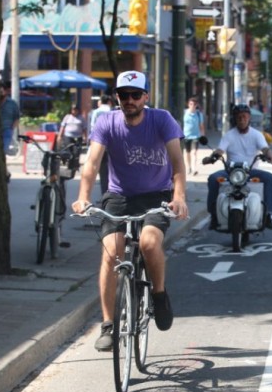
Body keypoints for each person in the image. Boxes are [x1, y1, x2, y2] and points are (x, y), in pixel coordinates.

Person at [71, 70, 188, 352]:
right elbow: (92, 163)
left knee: (149, 243)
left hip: (156, 195)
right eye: (124, 95)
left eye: (136, 95)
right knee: (111, 252)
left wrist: (179, 198)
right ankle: (108, 326)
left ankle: (158, 294)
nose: (130, 100)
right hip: (119, 195)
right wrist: (83, 197)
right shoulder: (106, 122)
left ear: (145, 97)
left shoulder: (162, 120)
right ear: (117, 98)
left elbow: (177, 163)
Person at [206, 104, 272, 230]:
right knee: (213, 178)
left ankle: (268, 214)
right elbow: (220, 150)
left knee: (270, 178)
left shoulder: (257, 135)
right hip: (230, 172)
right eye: (239, 117)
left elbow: (265, 148)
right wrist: (211, 158)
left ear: (249, 118)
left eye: (244, 117)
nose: (242, 119)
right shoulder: (229, 135)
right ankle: (213, 215)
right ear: (235, 118)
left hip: (251, 171)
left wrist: (270, 156)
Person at [89, 94, 116, 194]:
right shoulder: (113, 111)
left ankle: (104, 193)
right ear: (109, 101)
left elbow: (92, 127)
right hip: (113, 143)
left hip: (99, 142)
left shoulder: (96, 112)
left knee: (101, 168)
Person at [0, 82, 20, 182]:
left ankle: (4, 173)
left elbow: (17, 117)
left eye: (2, 90)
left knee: (2, 152)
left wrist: (12, 129)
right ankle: (5, 172)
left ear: (5, 91)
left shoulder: (12, 103)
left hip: (6, 131)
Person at [182, 97, 205, 175]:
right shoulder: (184, 113)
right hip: (186, 136)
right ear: (188, 104)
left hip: (196, 136)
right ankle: (188, 168)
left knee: (194, 152)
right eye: (191, 104)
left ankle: (194, 168)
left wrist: (203, 135)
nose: (192, 106)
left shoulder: (199, 114)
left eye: (194, 104)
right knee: (187, 153)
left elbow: (201, 125)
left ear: (196, 105)